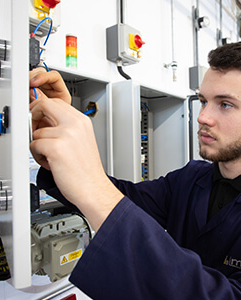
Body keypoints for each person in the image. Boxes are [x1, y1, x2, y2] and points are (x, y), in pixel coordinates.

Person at [29, 42, 241, 299]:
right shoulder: (191, 178)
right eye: (203, 101)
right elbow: (124, 198)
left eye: (225, 104)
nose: (203, 116)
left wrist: (93, 186)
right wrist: (59, 151)